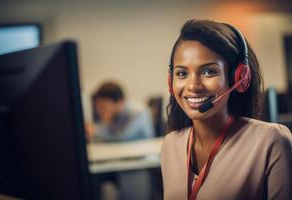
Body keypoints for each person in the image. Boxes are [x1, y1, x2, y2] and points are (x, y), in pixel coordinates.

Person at [161, 19, 292, 200]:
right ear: (170, 82)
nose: (193, 85)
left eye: (208, 72)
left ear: (239, 77)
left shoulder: (271, 141)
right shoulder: (170, 144)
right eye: (182, 73)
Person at [86, 81, 155, 142]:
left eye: (104, 107)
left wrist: (95, 131)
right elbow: (109, 131)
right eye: (98, 107)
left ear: (120, 102)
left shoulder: (138, 112)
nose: (100, 111)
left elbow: (122, 136)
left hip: (143, 154)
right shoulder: (117, 115)